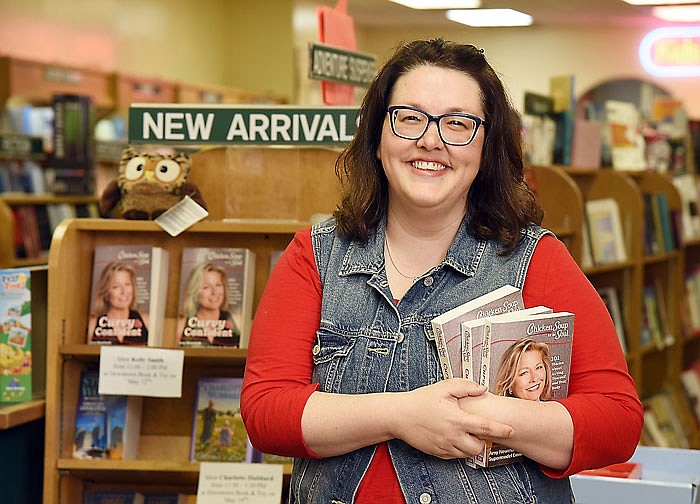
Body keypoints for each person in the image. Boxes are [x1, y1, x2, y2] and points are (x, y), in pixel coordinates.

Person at [241, 38, 643, 503]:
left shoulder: (538, 261)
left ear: (486, 146)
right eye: (409, 117)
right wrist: (400, 415)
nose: (430, 140)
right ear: (377, 136)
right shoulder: (314, 257)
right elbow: (266, 410)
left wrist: (479, 416)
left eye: (457, 123)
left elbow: (617, 420)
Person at [177, 262, 240, 346]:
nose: (214, 292)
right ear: (195, 291)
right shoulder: (181, 326)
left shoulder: (237, 322)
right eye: (206, 287)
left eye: (218, 285)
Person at [87, 261, 148, 345]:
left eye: (127, 284)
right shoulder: (93, 325)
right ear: (106, 292)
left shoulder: (146, 321)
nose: (124, 291)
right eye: (116, 287)